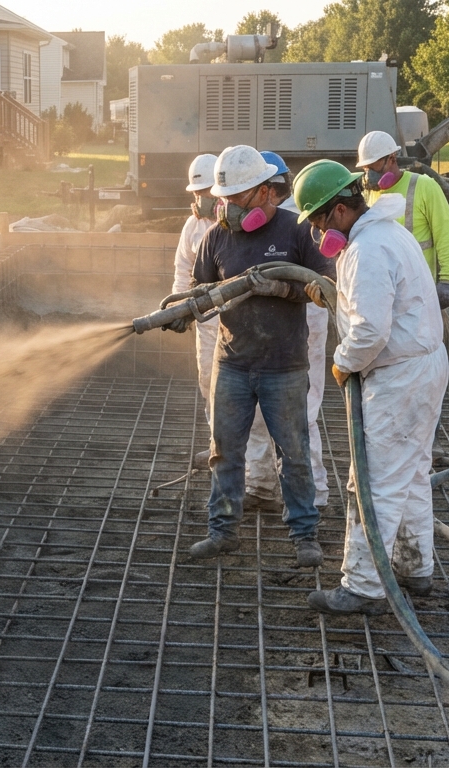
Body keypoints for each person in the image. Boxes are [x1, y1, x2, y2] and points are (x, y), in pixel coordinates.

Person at [292, 159, 449, 615]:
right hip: (423, 365)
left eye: (320, 221)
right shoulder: (389, 233)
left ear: (340, 210)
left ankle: (363, 587)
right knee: (414, 473)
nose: (320, 234)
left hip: (399, 376)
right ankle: (414, 567)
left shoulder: (368, 249)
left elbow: (369, 332)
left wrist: (342, 364)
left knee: (373, 481)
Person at [186, 145, 336, 565]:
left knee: (294, 453)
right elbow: (202, 289)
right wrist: (187, 309)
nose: (228, 207)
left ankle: (304, 535)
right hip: (231, 363)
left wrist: (284, 288)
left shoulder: (297, 231)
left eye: (237, 198)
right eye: (224, 198)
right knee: (224, 451)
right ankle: (223, 532)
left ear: (267, 192)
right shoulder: (217, 236)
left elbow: (326, 286)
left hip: (284, 366)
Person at [172, 154, 282, 508]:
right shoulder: (192, 229)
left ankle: (262, 481)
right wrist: (182, 311)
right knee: (214, 397)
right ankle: (226, 459)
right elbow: (182, 275)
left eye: (207, 191)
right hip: (208, 330)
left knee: (257, 409)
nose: (202, 198)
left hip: (243, 329)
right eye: (197, 191)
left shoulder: (241, 229)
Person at [262, 151, 331, 513]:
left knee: (300, 413)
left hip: (304, 329)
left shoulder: (298, 223)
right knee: (282, 413)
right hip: (272, 335)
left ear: (269, 190)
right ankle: (266, 486)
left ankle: (312, 495)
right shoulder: (269, 220)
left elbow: (321, 281)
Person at [356, 131, 449, 309]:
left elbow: (445, 234)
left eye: (374, 167)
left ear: (392, 158)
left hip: (419, 290)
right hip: (383, 291)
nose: (370, 174)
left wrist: (447, 280)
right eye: (366, 169)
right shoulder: (368, 195)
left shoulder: (424, 186)